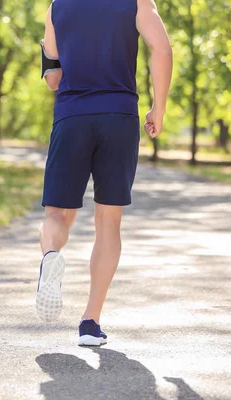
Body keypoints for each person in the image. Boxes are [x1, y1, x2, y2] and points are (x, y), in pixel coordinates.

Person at [36, 0, 173, 346]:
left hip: (72, 117)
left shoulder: (57, 6)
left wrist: (50, 48)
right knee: (108, 221)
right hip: (119, 116)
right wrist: (159, 107)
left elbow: (53, 79)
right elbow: (162, 48)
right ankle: (90, 322)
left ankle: (51, 257)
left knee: (57, 214)